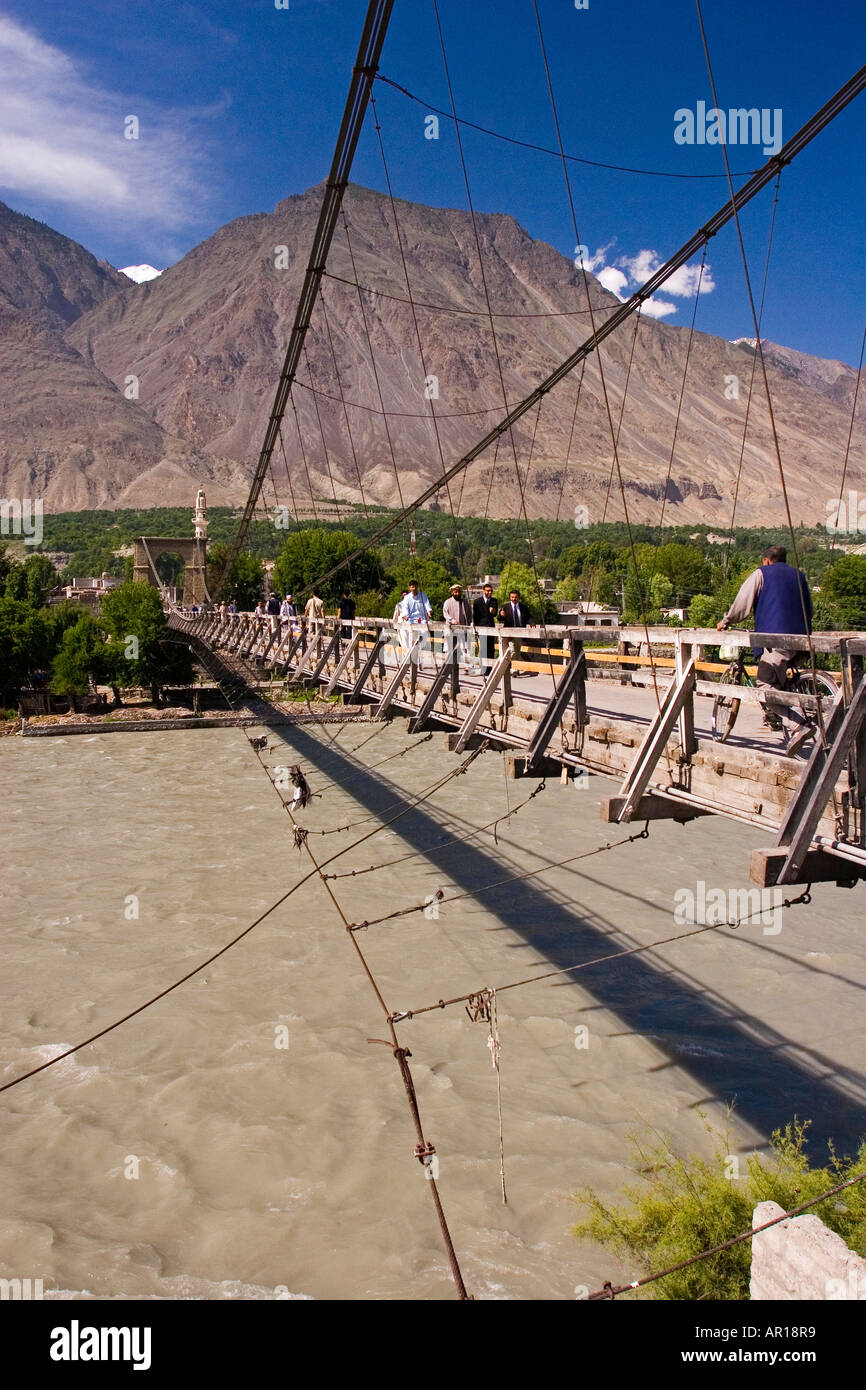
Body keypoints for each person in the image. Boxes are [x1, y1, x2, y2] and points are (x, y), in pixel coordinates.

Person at [717, 544, 815, 756]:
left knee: (765, 686)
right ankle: (788, 713)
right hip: (802, 639)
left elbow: (741, 606)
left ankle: (798, 724)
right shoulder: (800, 576)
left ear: (767, 560)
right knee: (779, 680)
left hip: (776, 639)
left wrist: (726, 621)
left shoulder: (762, 573)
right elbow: (811, 609)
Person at [499, 588, 532, 672]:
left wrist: (532, 622)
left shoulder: (523, 607)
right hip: (509, 633)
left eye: (515, 597)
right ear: (510, 597)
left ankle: (516, 668)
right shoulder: (505, 607)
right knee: (513, 650)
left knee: (517, 650)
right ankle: (514, 669)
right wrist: (501, 615)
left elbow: (528, 617)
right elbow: (499, 619)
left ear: (519, 598)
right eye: (512, 597)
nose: (514, 599)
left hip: (520, 633)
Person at [443, 583, 472, 669]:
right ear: (452, 592)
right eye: (455, 592)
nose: (457, 594)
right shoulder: (448, 602)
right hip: (450, 628)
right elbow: (445, 614)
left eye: (458, 592)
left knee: (464, 647)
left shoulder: (464, 603)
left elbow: (469, 614)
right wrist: (452, 620)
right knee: (449, 648)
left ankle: (468, 665)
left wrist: (470, 623)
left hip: (461, 628)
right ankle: (447, 666)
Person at [472, 582, 498, 674]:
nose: (490, 592)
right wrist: (476, 628)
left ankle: (490, 669)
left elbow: (495, 614)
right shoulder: (477, 602)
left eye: (491, 591)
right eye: (488, 591)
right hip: (481, 627)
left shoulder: (494, 601)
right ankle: (483, 668)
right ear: (483, 591)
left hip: (491, 627)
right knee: (483, 648)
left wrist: (493, 610)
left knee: (491, 648)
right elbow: (475, 616)